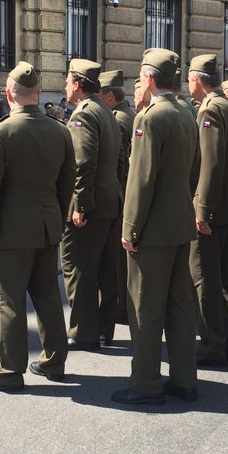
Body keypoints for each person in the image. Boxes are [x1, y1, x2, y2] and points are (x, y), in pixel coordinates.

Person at [0, 61, 75, 391]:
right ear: (39, 94)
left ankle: (9, 372)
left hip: (10, 232)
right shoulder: (60, 130)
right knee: (47, 296)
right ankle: (54, 361)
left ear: (8, 94)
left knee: (9, 301)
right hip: (47, 227)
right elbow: (67, 183)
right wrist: (55, 218)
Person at [114, 48, 200, 405]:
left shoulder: (149, 118)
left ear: (148, 79)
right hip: (179, 223)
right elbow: (194, 171)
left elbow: (140, 180)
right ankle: (184, 379)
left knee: (145, 308)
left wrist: (130, 228)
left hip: (152, 230)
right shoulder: (185, 113)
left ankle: (146, 383)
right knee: (180, 306)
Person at [189, 53, 228, 367]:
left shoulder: (210, 110)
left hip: (215, 210)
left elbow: (210, 164)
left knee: (205, 279)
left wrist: (202, 210)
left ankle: (212, 346)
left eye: (189, 78)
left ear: (197, 80)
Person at [61, 58, 121, 350]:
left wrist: (80, 205)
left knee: (78, 266)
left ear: (76, 84)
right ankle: (103, 329)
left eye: (67, 81)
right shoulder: (106, 111)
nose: (65, 87)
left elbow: (83, 164)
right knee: (106, 268)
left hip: (92, 203)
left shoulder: (82, 115)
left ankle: (83, 331)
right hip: (110, 200)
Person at [98, 69, 136, 333]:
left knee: (118, 261)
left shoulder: (120, 119)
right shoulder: (123, 115)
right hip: (122, 194)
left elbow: (121, 164)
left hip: (120, 194)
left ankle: (121, 307)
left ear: (109, 96)